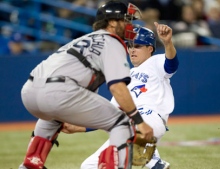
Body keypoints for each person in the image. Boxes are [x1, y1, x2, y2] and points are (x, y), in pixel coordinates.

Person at [18, 1, 154, 169]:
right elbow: (117, 87)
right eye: (127, 20)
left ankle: (30, 164)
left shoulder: (81, 39)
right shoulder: (112, 41)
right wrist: (139, 121)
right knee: (123, 122)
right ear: (112, 22)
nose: (130, 25)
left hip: (29, 91)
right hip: (60, 91)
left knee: (54, 118)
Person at [62, 22, 179, 169]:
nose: (132, 50)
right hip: (128, 124)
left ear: (150, 49)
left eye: (137, 46)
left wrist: (167, 42)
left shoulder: (155, 62)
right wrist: (78, 127)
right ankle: (154, 163)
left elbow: (171, 65)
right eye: (129, 46)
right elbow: (110, 115)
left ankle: (153, 161)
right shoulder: (125, 78)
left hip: (150, 120)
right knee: (89, 166)